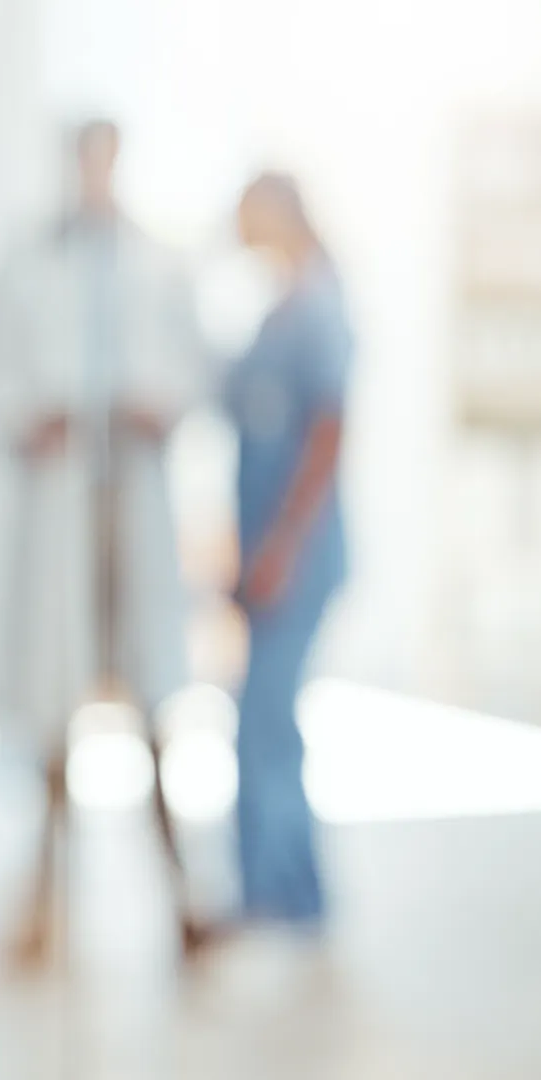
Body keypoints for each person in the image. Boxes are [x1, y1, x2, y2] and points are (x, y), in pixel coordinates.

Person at [0, 119, 208, 965]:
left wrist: (161, 401)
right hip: (60, 501)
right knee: (54, 723)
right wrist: (30, 418)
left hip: (129, 502)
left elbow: (192, 368)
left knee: (152, 716)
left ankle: (184, 900)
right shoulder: (30, 262)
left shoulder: (155, 263)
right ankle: (41, 904)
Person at [214, 172, 351, 938]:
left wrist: (282, 548)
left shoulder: (318, 307)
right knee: (268, 722)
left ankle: (277, 899)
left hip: (294, 558)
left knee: (262, 724)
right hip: (267, 553)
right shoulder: (280, 307)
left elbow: (328, 433)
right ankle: (296, 897)